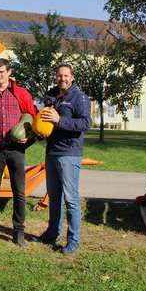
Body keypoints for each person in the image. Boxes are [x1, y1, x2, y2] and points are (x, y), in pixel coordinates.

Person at [31, 64, 92, 256]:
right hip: (52, 152)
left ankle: (73, 241)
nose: (62, 78)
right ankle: (52, 233)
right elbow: (45, 122)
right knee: (54, 197)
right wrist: (39, 132)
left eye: (66, 76)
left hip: (69, 153)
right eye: (59, 75)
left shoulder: (79, 98)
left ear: (72, 77)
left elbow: (85, 123)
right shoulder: (51, 96)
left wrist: (60, 121)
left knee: (71, 199)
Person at [0, 58, 38, 247]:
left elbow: (33, 118)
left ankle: (18, 231)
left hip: (16, 149)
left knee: (19, 191)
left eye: (2, 72)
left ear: (9, 72)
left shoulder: (21, 93)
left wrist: (28, 136)